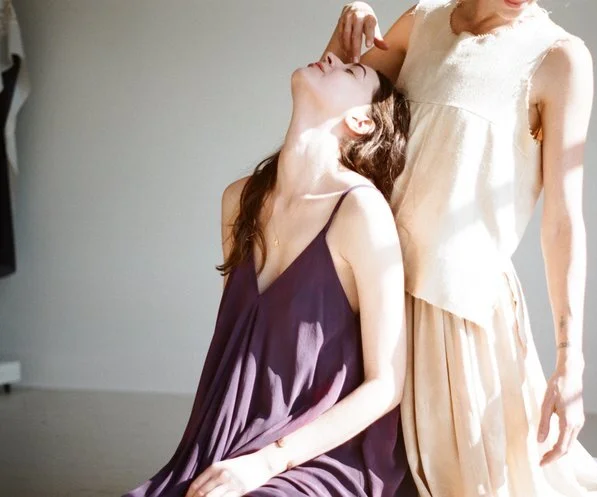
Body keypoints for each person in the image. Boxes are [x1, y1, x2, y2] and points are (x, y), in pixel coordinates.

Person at [321, 1, 597, 496]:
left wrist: (570, 361)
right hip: (373, 290)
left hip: (454, 318)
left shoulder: (559, 58)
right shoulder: (421, 22)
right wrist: (342, 38)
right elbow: (328, 125)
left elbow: (563, 219)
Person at [123, 53, 415, 497]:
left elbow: (386, 384)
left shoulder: (360, 210)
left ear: (362, 122)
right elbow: (237, 349)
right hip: (226, 444)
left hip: (320, 457)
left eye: (351, 71)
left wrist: (269, 461)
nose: (331, 57)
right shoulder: (238, 201)